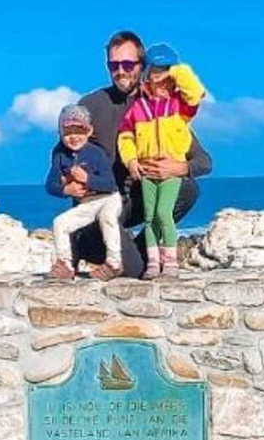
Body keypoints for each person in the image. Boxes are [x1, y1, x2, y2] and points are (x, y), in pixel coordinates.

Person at [72, 30, 213, 277]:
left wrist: (179, 168)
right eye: (114, 65)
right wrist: (69, 182)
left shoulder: (161, 106)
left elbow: (204, 162)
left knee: (188, 188)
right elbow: (64, 153)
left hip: (137, 200)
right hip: (100, 204)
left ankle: (140, 249)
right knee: (136, 271)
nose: (121, 71)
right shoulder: (91, 105)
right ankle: (86, 243)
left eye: (128, 64)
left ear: (143, 64)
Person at [116, 42, 207, 278]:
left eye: (168, 79)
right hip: (146, 171)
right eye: (157, 77)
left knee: (163, 213)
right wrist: (131, 160)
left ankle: (171, 262)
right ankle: (153, 262)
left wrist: (175, 69)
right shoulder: (138, 108)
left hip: (171, 170)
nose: (164, 84)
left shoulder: (179, 107)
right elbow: (126, 137)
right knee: (149, 217)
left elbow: (195, 92)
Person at [46, 103, 124, 280]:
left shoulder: (96, 153)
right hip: (87, 204)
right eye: (68, 132)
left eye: (79, 131)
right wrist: (66, 189)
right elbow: (50, 184)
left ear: (89, 132)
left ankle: (114, 262)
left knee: (108, 218)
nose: (74, 137)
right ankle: (65, 264)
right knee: (59, 223)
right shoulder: (59, 155)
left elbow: (110, 184)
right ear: (61, 133)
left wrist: (87, 179)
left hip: (108, 199)